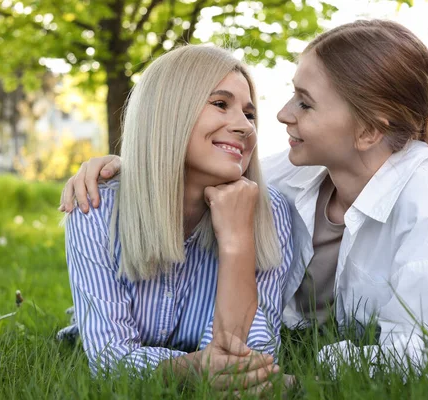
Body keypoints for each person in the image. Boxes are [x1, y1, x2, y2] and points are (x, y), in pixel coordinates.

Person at [60, 19, 428, 374]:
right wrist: (130, 168)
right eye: (292, 95)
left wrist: (312, 367)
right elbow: (184, 152)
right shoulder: (288, 174)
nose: (274, 116)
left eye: (305, 103)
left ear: (369, 130)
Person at [60, 44, 294, 391]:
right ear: (169, 111)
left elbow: (247, 354)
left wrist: (237, 243)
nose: (244, 126)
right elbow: (110, 360)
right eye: (220, 104)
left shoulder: (269, 210)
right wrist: (199, 366)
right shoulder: (96, 208)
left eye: (249, 114)